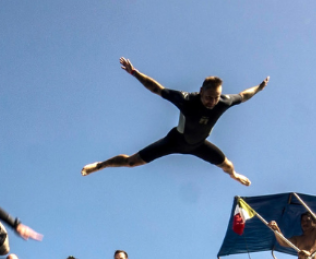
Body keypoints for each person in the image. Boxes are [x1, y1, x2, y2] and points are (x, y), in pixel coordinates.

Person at [81, 58, 267, 186]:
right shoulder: (186, 100)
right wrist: (134, 73)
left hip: (198, 145)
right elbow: (156, 88)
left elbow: (244, 95)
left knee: (228, 166)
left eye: (216, 97)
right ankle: (100, 165)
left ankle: (234, 176)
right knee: (131, 162)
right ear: (201, 91)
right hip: (175, 141)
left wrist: (259, 87)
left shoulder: (223, 102)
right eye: (209, 97)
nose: (212, 102)